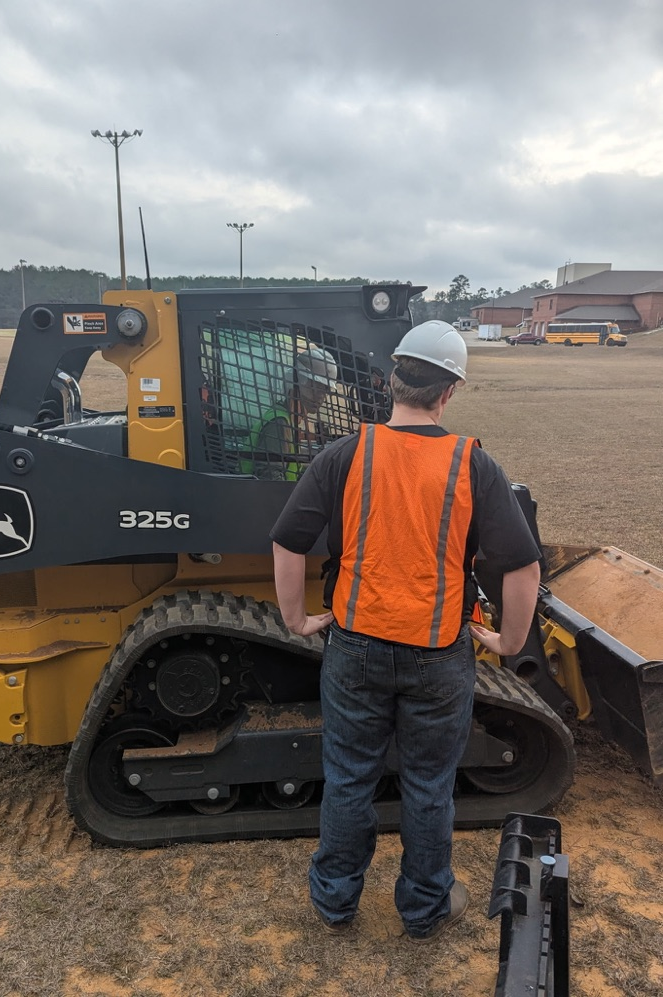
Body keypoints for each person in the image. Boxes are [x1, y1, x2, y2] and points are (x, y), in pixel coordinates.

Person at [270, 319, 542, 942]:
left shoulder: (345, 452)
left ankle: (335, 903)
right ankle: (424, 908)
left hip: (354, 647)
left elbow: (288, 541)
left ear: (393, 379)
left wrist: (294, 618)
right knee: (428, 785)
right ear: (449, 392)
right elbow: (521, 567)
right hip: (439, 655)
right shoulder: (473, 463)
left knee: (348, 778)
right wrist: (509, 641)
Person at [246, 346, 338, 480]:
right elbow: (270, 476)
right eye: (315, 387)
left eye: (325, 390)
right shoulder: (279, 423)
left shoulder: (289, 421)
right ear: (298, 381)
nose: (321, 396)